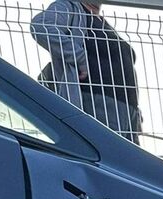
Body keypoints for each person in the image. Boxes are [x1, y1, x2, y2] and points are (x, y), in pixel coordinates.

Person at [31, 0, 142, 143]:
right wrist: (78, 57)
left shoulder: (102, 23)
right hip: (97, 104)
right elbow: (42, 26)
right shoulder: (69, 7)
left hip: (126, 114)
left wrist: (135, 115)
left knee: (127, 163)